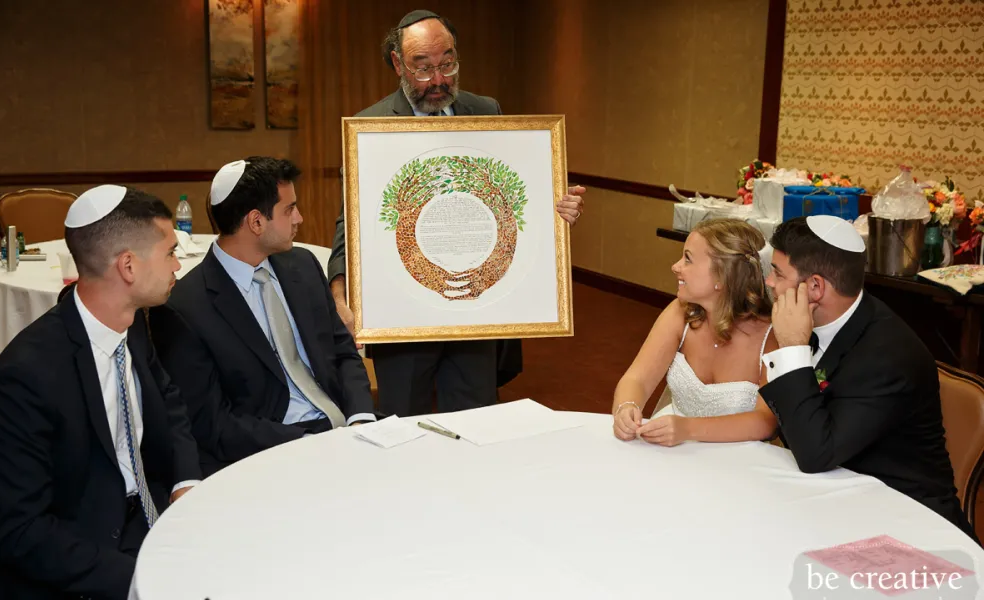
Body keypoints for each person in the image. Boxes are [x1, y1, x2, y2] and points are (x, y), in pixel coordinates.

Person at [326, 9, 586, 418]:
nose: (438, 80)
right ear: (398, 64)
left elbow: (513, 199)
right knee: (402, 423)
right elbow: (350, 221)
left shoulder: (486, 110)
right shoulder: (369, 126)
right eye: (423, 68)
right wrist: (340, 288)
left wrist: (556, 209)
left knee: (475, 421)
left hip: (476, 309)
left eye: (447, 64)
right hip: (403, 310)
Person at [0, 185, 201, 599]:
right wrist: (140, 576)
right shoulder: (26, 375)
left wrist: (185, 480)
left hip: (150, 519)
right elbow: (21, 530)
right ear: (128, 267)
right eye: (170, 252)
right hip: (81, 556)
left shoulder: (133, 322)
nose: (177, 265)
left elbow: (167, 399)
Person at [149, 157, 375, 477]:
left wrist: (361, 418)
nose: (299, 217)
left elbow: (342, 351)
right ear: (256, 222)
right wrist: (311, 441)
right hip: (269, 452)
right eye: (289, 209)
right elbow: (213, 423)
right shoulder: (184, 308)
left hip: (346, 428)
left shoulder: (303, 264)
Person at [759, 215, 975, 540]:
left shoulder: (887, 355)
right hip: (842, 497)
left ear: (815, 287)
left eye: (778, 273)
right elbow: (792, 427)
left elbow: (816, 454)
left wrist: (791, 349)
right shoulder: (827, 323)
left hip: (909, 524)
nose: (769, 283)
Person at [612, 218, 779, 446]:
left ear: (722, 276)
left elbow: (765, 422)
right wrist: (626, 406)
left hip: (737, 460)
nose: (675, 266)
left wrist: (688, 429)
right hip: (672, 447)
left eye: (688, 259)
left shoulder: (771, 336)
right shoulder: (680, 313)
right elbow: (637, 379)